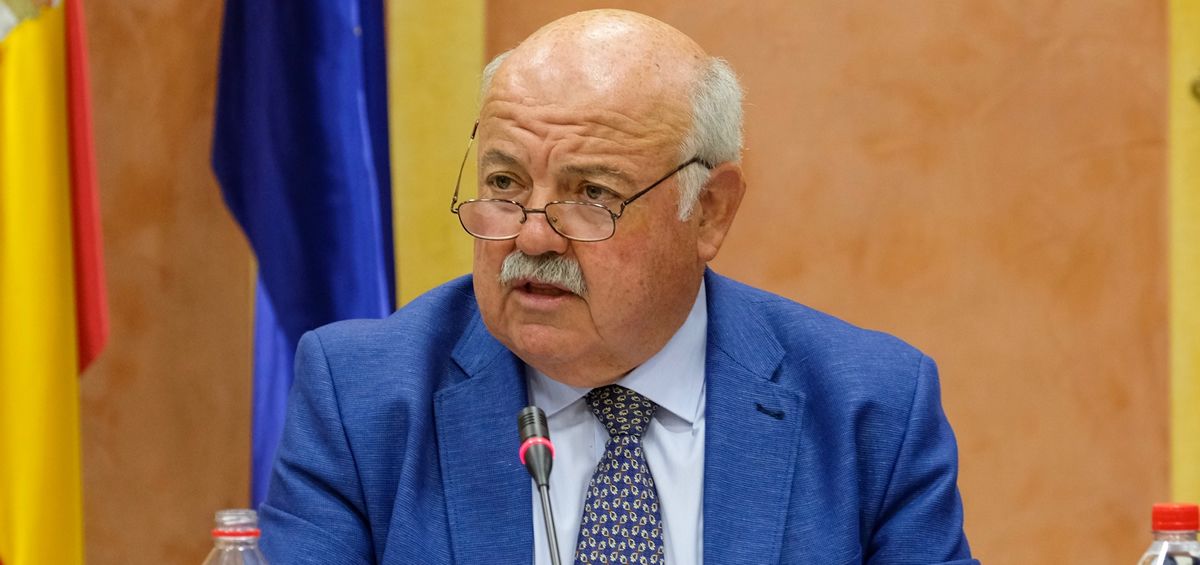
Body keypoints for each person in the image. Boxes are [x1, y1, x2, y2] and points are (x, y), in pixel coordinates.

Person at [259, 9, 978, 565]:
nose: (532, 238)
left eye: (592, 194)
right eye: (505, 183)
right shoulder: (362, 399)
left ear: (710, 211)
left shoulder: (869, 409)